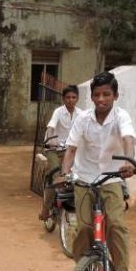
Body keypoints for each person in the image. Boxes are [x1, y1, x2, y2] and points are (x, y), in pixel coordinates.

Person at [60, 72, 136, 271]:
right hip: (84, 178)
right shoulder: (83, 119)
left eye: (106, 94)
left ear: (115, 95)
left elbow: (128, 139)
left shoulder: (122, 117)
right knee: (83, 227)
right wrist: (66, 172)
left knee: (116, 224)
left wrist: (129, 161)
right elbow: (71, 149)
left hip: (111, 178)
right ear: (92, 97)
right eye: (97, 95)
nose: (102, 99)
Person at [38, 85, 82, 221]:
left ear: (77, 99)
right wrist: (51, 140)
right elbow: (51, 126)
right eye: (68, 97)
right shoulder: (58, 112)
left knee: (78, 177)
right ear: (63, 99)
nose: (70, 100)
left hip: (71, 150)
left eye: (73, 97)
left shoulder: (81, 114)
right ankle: (45, 209)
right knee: (56, 177)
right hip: (54, 149)